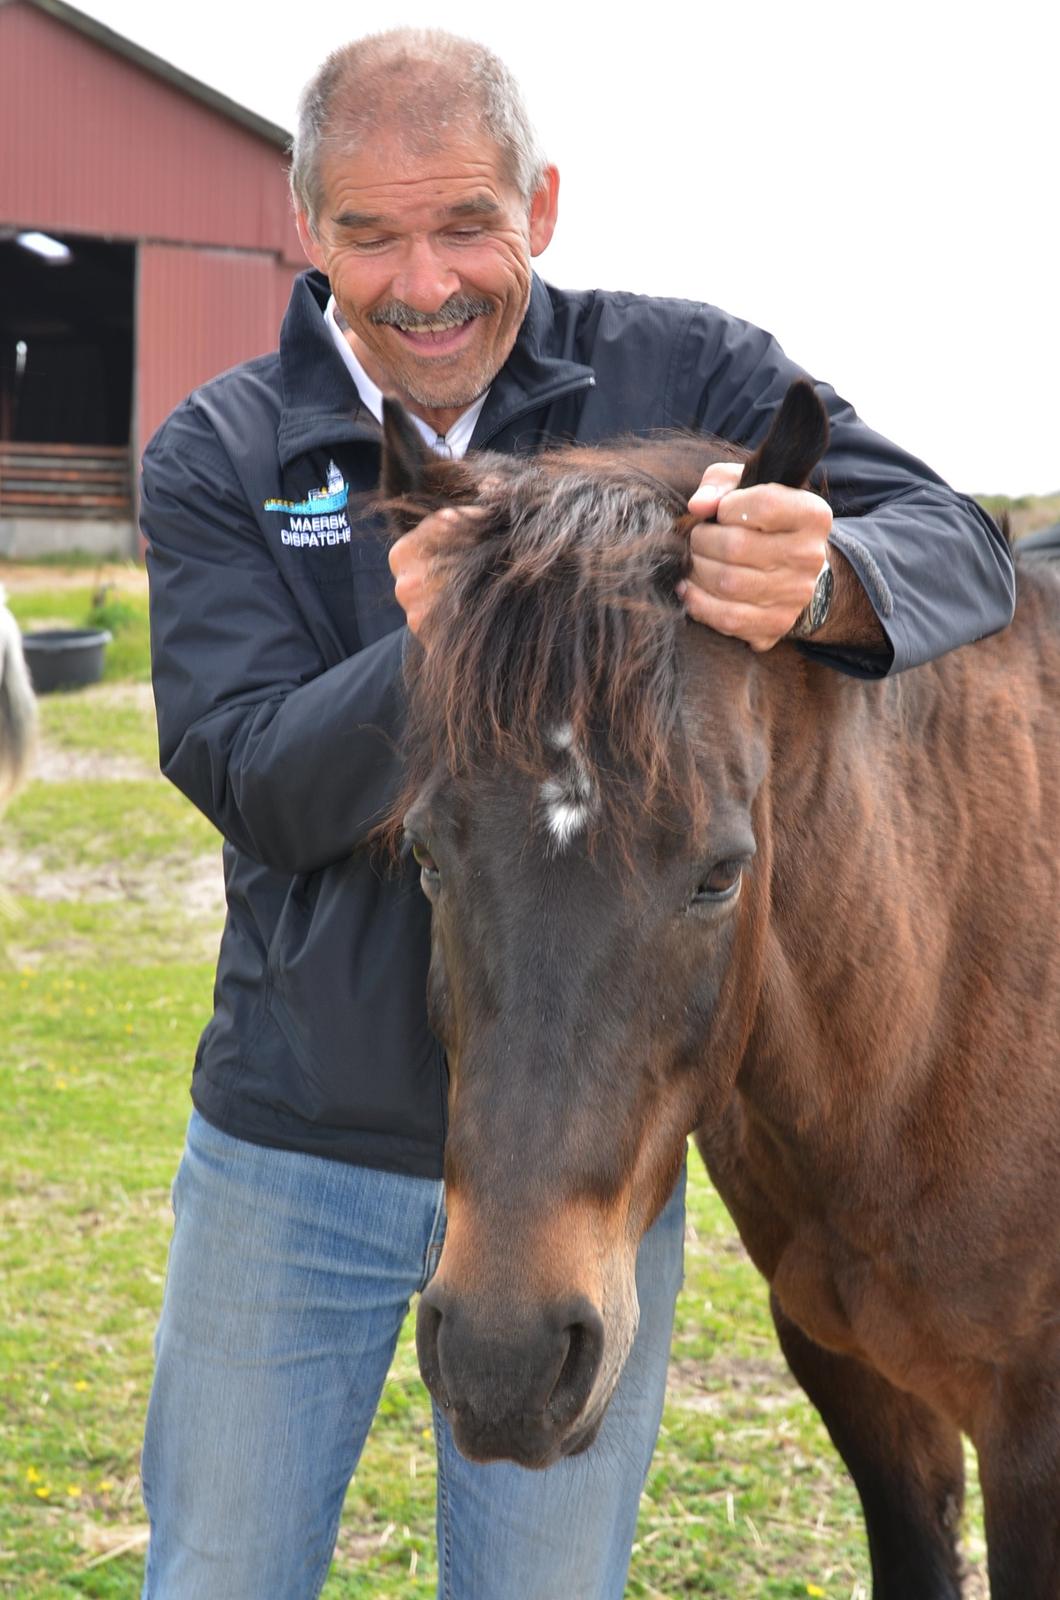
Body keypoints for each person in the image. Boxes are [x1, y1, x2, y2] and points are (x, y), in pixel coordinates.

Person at [138, 27, 1014, 1600]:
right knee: (219, 1572)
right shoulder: (221, 450)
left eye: (467, 223)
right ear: (308, 229)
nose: (424, 282)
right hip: (292, 1149)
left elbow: (962, 544)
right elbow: (249, 775)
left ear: (540, 206)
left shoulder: (692, 375)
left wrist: (830, 579)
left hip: (590, 1155)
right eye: (372, 234)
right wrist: (441, 646)